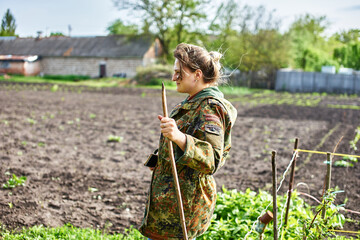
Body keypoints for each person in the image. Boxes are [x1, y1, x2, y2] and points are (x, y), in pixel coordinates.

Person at [139, 43, 237, 240]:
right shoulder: (191, 103)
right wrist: (159, 161)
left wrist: (179, 137)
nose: (174, 78)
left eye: (179, 73)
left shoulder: (210, 108)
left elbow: (212, 160)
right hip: (171, 205)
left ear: (197, 74)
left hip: (183, 209)